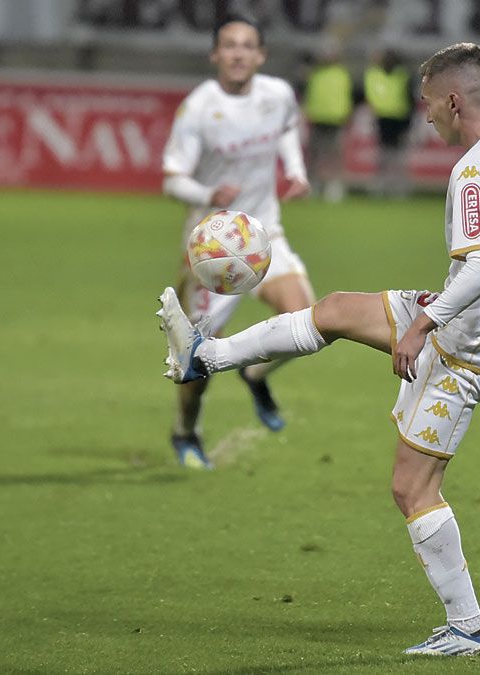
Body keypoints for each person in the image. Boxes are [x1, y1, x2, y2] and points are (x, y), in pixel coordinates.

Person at [157, 42, 480, 656]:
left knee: (413, 489)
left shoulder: (475, 168)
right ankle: (207, 354)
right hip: (474, 323)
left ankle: (467, 629)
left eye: (429, 104)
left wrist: (422, 327)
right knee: (333, 310)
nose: (426, 115)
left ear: (455, 100)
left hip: (469, 346)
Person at [161, 14, 315, 469]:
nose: (238, 53)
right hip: (212, 249)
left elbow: (287, 128)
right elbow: (172, 179)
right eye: (229, 45)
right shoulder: (199, 108)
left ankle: (255, 373)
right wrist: (208, 195)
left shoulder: (278, 95)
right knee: (195, 364)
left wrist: (296, 171)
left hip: (263, 233)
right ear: (215, 54)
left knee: (305, 322)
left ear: (260, 55)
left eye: (247, 45)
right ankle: (185, 431)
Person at [301, 42, 355, 203]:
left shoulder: (342, 74)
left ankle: (334, 186)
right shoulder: (315, 74)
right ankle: (313, 186)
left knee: (334, 155)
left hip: (335, 119)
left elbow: (346, 96)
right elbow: (311, 95)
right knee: (314, 155)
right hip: (317, 118)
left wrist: (345, 113)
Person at [362, 48, 417, 198]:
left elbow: (410, 100)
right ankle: (381, 186)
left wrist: (409, 122)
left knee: (398, 156)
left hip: (400, 119)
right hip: (383, 119)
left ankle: (398, 187)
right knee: (384, 155)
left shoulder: (402, 75)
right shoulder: (375, 74)